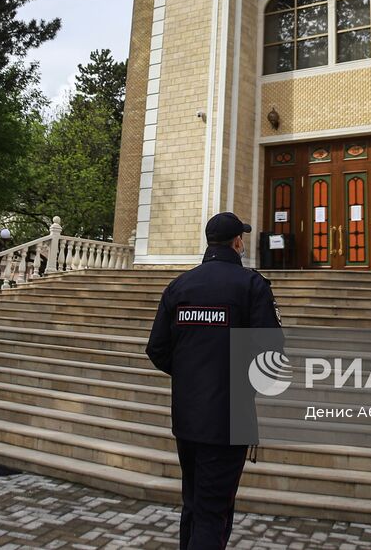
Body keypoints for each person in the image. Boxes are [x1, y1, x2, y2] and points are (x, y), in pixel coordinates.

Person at [146, 212, 282, 550]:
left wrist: (195, 375)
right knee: (212, 514)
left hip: (188, 418)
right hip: (228, 420)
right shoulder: (251, 285)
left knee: (194, 505)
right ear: (238, 242)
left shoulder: (180, 285)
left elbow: (157, 349)